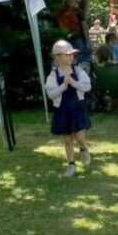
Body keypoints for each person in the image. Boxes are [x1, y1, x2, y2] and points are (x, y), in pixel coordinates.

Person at [44, 39, 92, 177]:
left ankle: (84, 148)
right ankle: (71, 165)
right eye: (67, 54)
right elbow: (51, 94)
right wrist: (64, 85)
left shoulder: (78, 70)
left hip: (77, 108)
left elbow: (87, 86)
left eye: (72, 54)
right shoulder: (53, 75)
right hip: (63, 110)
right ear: (58, 57)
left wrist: (74, 82)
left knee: (80, 136)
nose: (71, 56)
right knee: (67, 139)